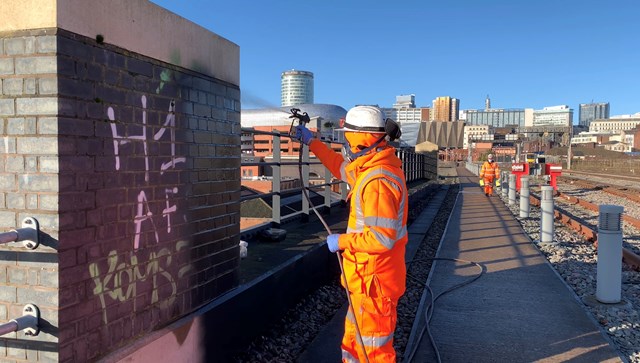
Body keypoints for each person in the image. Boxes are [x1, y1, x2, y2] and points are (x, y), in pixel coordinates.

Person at [293, 105, 408, 362]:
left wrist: (341, 241)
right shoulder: (371, 167)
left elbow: (381, 238)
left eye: (348, 136)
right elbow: (339, 167)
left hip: (374, 283)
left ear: (359, 139)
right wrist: (312, 142)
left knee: (373, 350)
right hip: (367, 280)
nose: (345, 141)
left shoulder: (378, 181)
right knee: (355, 344)